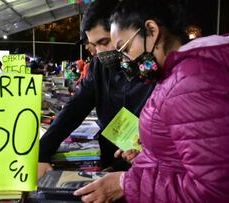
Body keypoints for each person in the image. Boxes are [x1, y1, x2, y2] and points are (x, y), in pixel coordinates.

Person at [74, 0, 229, 202]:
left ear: (151, 31)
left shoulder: (194, 83)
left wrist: (126, 184)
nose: (124, 61)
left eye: (124, 49)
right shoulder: (178, 74)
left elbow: (215, 193)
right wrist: (152, 156)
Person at [38, 0, 156, 178]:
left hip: (146, 169)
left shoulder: (153, 69)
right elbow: (75, 108)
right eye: (94, 45)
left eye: (105, 41)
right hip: (109, 159)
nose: (100, 53)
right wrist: (42, 152)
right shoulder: (98, 67)